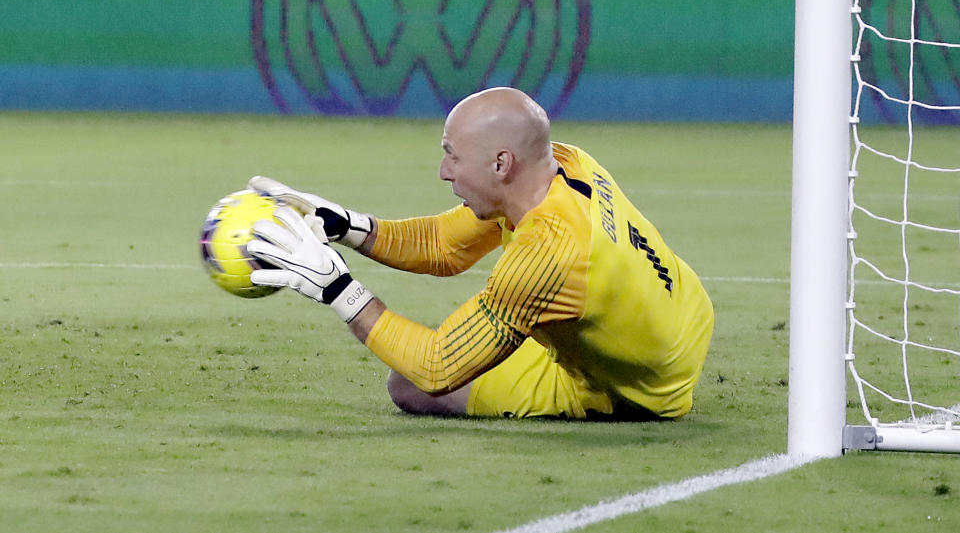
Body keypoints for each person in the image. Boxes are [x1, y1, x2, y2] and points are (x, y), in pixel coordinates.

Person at [246, 87, 714, 420]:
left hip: (645, 386)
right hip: (683, 315)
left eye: (452, 155)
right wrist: (345, 225)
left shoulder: (550, 253)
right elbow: (444, 246)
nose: (443, 171)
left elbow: (437, 366)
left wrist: (337, 289)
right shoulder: (562, 165)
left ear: (500, 163)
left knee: (408, 385)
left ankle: (611, 397)